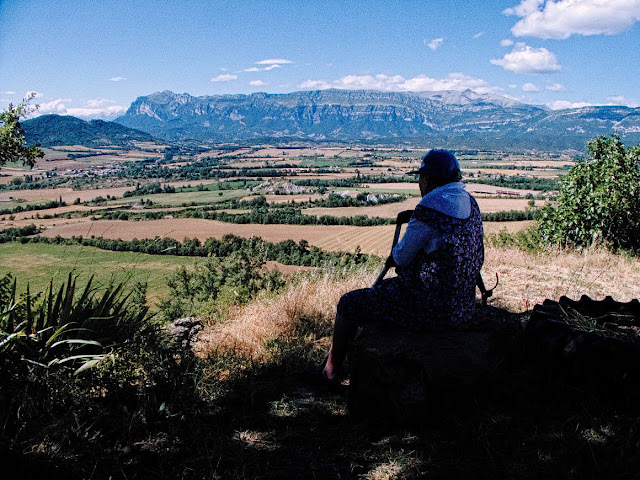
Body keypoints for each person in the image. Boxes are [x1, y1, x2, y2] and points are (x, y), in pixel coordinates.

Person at [321, 149, 484, 382]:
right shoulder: (471, 203)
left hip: (431, 308)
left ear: (427, 179)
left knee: (349, 303)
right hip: (463, 304)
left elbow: (400, 258)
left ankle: (331, 373)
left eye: (421, 178)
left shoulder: (430, 208)